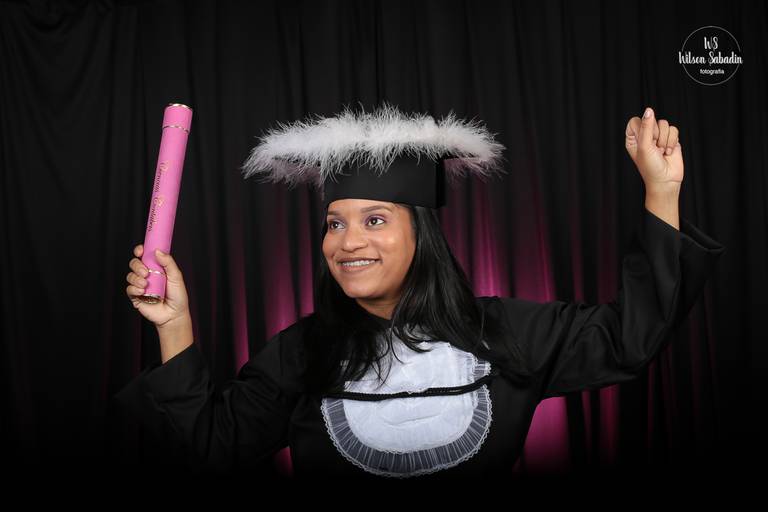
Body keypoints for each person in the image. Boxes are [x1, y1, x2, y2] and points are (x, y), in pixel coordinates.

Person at [114, 103, 725, 482]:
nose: (348, 242)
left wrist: (661, 192)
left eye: (375, 220)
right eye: (335, 223)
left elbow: (629, 339)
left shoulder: (507, 334)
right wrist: (175, 324)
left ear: (420, 233)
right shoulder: (302, 352)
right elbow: (213, 448)